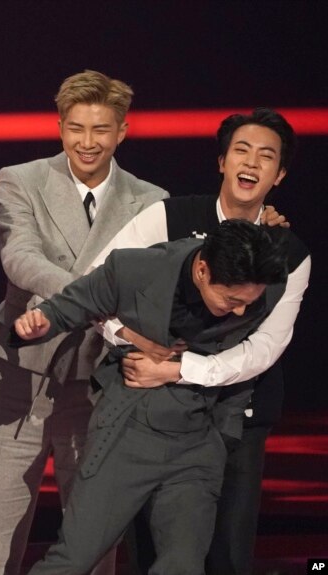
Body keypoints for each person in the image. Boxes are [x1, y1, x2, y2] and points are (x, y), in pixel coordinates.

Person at [88, 108, 310, 574]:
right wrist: (131, 341)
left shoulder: (290, 252)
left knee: (228, 553)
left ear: (280, 174)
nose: (251, 163)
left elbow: (266, 347)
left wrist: (179, 368)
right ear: (222, 161)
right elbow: (96, 286)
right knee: (153, 553)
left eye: (266, 156)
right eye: (241, 150)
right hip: (151, 410)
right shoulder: (168, 217)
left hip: (237, 417)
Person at [0, 70, 167, 575]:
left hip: (100, 384)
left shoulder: (150, 201)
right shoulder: (20, 179)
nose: (87, 142)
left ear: (121, 131)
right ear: (60, 127)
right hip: (20, 375)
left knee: (94, 540)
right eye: (76, 128)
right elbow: (20, 258)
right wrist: (89, 298)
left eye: (101, 130)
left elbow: (147, 292)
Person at [11, 219, 290, 574]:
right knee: (74, 559)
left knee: (184, 566)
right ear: (203, 270)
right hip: (128, 432)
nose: (239, 311)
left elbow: (255, 358)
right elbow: (76, 302)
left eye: (245, 304)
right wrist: (41, 320)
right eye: (231, 301)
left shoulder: (264, 291)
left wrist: (222, 439)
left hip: (197, 442)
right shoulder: (138, 268)